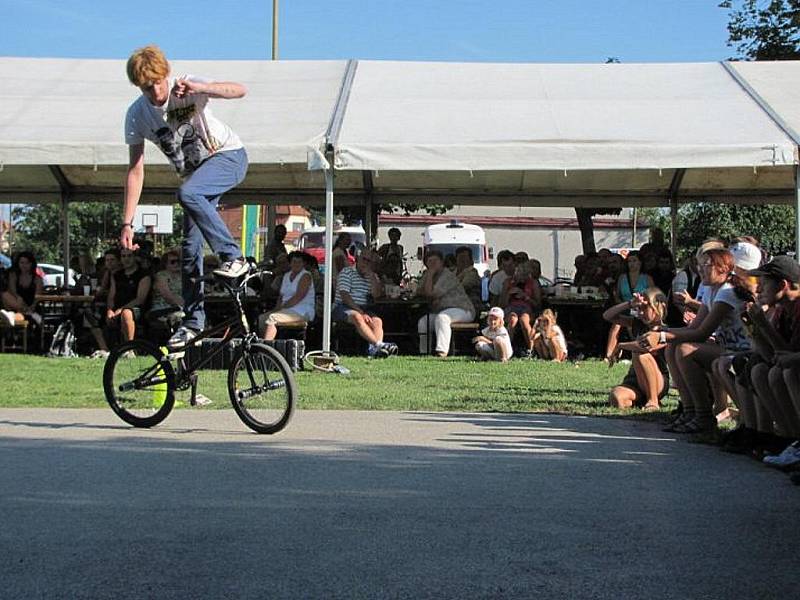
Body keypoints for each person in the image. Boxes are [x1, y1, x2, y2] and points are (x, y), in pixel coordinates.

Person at [120, 45, 251, 350]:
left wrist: (201, 87)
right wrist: (127, 222)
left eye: (157, 82)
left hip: (229, 157)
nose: (155, 92)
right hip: (196, 179)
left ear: (166, 74)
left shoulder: (187, 86)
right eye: (146, 87)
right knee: (189, 250)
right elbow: (135, 170)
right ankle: (193, 322)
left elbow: (240, 90)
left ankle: (233, 257)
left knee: (187, 192)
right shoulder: (137, 115)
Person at [639, 246, 760, 435]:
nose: (701, 268)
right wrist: (663, 330)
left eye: (707, 265)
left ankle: (703, 415)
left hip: (742, 350)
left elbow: (702, 333)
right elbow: (694, 327)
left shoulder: (727, 292)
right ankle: (689, 411)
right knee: (673, 347)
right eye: (700, 264)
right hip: (726, 347)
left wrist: (661, 336)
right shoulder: (712, 289)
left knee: (685, 350)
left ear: (723, 269)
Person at [604, 288, 670, 411]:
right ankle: (640, 400)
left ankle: (653, 401)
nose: (640, 313)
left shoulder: (665, 331)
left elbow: (644, 346)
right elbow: (608, 316)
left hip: (658, 381)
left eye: (645, 308)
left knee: (640, 354)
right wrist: (630, 303)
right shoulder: (638, 324)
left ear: (659, 308)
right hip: (635, 380)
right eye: (639, 309)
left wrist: (620, 345)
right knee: (616, 398)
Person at [332, 250, 398, 358]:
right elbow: (345, 296)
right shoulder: (346, 272)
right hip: (343, 306)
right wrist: (360, 312)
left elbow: (377, 295)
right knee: (357, 317)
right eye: (364, 259)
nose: (366, 263)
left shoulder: (371, 276)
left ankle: (374, 350)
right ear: (358, 258)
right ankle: (379, 345)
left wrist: (372, 277)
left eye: (369, 261)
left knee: (377, 321)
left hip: (364, 307)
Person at [417, 250, 475, 357]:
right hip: (441, 309)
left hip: (463, 310)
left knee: (443, 318)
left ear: (442, 262)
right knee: (423, 321)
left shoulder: (447, 275)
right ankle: (424, 352)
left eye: (436, 261)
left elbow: (430, 293)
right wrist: (429, 277)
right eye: (430, 261)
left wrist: (430, 275)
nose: (433, 264)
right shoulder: (427, 275)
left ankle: (442, 351)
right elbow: (418, 290)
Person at [605, 251, 654, 361]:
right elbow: (617, 295)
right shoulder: (622, 278)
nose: (632, 264)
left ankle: (636, 349)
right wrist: (624, 305)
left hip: (642, 309)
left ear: (640, 263)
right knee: (616, 324)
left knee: (635, 324)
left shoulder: (647, 278)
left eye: (635, 261)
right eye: (629, 261)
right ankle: (608, 354)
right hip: (626, 306)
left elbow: (653, 296)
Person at [261, 251, 315, 341]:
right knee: (262, 318)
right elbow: (281, 296)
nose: (296, 264)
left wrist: (282, 308)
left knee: (272, 318)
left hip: (302, 311)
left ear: (303, 264)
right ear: (290, 263)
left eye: (299, 262)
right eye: (294, 262)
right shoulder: (286, 276)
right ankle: (260, 344)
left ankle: (266, 347)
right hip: (286, 309)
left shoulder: (306, 276)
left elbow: (298, 297)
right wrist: (276, 309)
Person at [106, 248, 152, 344]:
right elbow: (111, 296)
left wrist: (122, 309)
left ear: (135, 257)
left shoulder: (144, 274)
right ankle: (104, 348)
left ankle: (129, 347)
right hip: (117, 309)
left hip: (137, 308)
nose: (126, 259)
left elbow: (140, 299)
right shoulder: (116, 275)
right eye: (123, 256)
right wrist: (110, 310)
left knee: (126, 313)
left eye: (129, 256)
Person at [500, 260, 542, 357]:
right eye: (517, 273)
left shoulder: (533, 283)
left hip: (526, 307)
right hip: (511, 307)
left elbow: (537, 304)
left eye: (523, 274)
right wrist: (509, 294)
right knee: (512, 319)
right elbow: (502, 304)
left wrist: (525, 296)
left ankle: (531, 349)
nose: (519, 276)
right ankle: (507, 349)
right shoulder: (508, 282)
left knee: (524, 320)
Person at [3, 251, 44, 326]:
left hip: (31, 306)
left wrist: (32, 307)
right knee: (5, 294)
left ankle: (16, 314)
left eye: (27, 263)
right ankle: (17, 314)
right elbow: (12, 291)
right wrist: (18, 297)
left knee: (20, 311)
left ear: (32, 264)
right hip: (17, 304)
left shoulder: (37, 279)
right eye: (21, 263)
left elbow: (38, 297)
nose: (24, 265)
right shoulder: (14, 275)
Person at [146, 248, 184, 328]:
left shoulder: (183, 276)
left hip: (180, 308)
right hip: (163, 309)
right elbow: (167, 296)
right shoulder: (161, 275)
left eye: (179, 261)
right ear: (165, 264)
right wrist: (186, 305)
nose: (177, 264)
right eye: (173, 262)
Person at [455, 246, 483, 314]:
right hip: (454, 305)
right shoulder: (453, 273)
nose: (462, 261)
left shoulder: (472, 273)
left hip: (470, 307)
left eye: (465, 258)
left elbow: (461, 288)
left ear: (471, 261)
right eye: (460, 258)